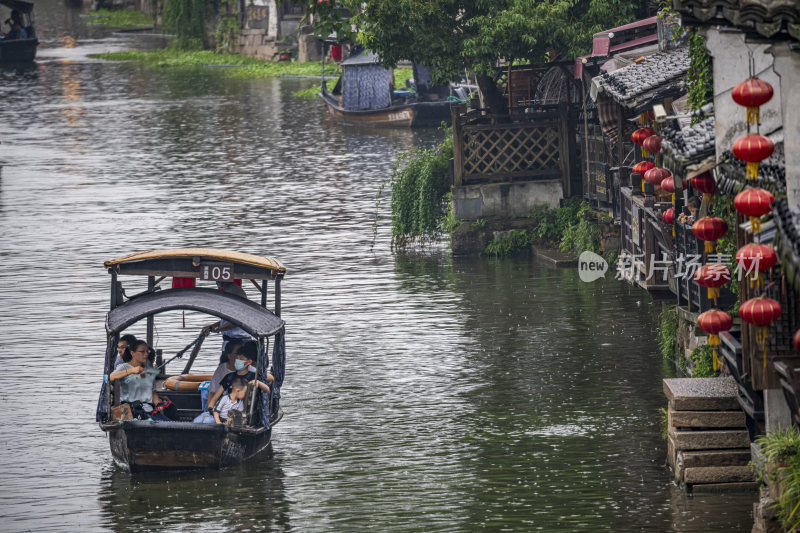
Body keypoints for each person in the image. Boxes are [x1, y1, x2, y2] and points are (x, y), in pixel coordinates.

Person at [109, 340, 172, 421]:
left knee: (169, 423)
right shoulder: (123, 367)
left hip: (148, 410)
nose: (146, 354)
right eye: (142, 351)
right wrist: (131, 371)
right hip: (128, 410)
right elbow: (110, 377)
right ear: (132, 353)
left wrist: (157, 401)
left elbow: (152, 391)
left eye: (147, 351)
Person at [206, 341, 271, 412]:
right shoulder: (229, 377)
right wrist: (210, 408)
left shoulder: (253, 376)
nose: (238, 361)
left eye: (241, 359)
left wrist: (258, 383)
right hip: (226, 410)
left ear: (249, 362)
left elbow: (267, 389)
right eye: (237, 359)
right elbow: (215, 397)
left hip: (244, 413)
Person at [201, 282, 251, 353]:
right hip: (230, 342)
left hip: (239, 343)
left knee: (238, 363)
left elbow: (236, 321)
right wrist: (211, 326)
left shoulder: (233, 293)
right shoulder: (229, 291)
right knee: (227, 363)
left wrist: (218, 329)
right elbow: (227, 320)